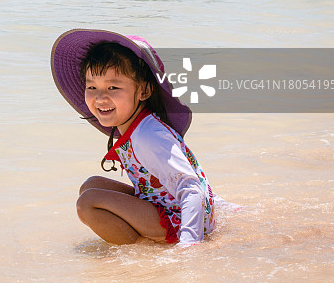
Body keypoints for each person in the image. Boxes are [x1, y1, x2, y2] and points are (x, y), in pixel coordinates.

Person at [51, 29, 215, 247]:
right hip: (166, 206)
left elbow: (191, 187)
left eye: (113, 87)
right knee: (91, 185)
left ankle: (142, 250)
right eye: (92, 87)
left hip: (183, 220)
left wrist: (189, 245)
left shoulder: (149, 136)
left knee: (88, 203)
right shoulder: (138, 125)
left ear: (144, 91)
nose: (100, 97)